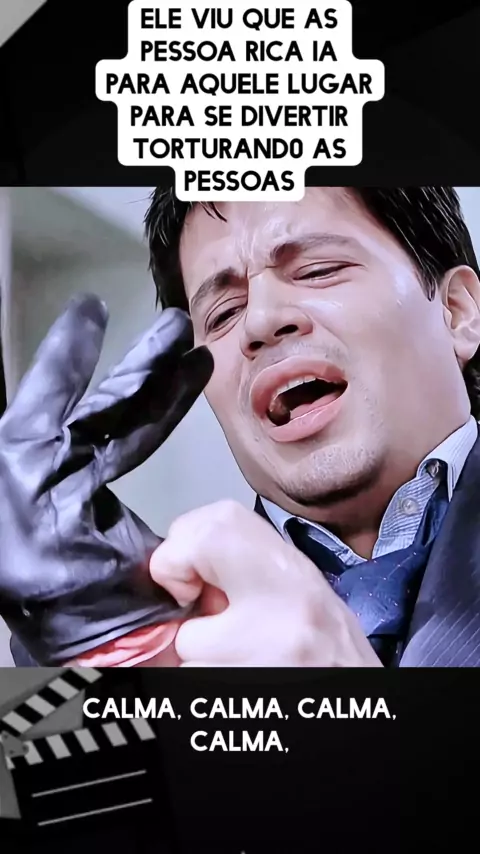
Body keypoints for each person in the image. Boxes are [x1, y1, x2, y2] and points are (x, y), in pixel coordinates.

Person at [7, 187, 480, 668]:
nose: (260, 321)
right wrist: (113, 644)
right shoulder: (146, 627)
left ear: (457, 311)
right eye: (224, 313)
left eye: (318, 271)